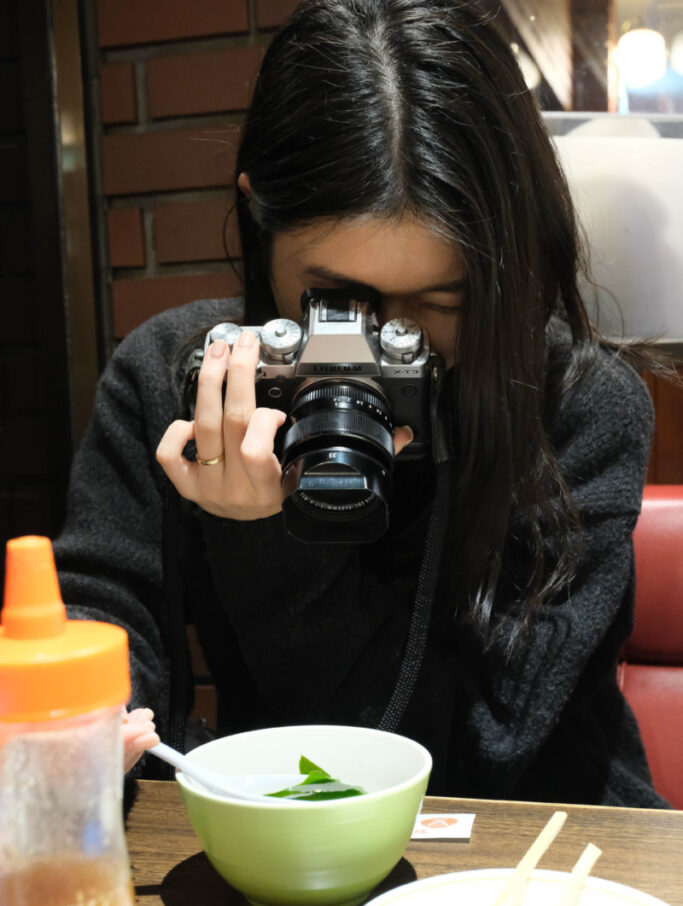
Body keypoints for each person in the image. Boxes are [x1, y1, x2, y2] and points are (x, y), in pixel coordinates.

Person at [54, 0, 671, 806]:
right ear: (256, 216)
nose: (384, 341)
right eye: (336, 298)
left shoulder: (576, 405)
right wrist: (86, 719)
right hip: (287, 838)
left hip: (551, 833)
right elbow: (101, 606)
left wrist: (270, 537)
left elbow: (484, 754)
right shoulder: (182, 377)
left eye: (441, 300)